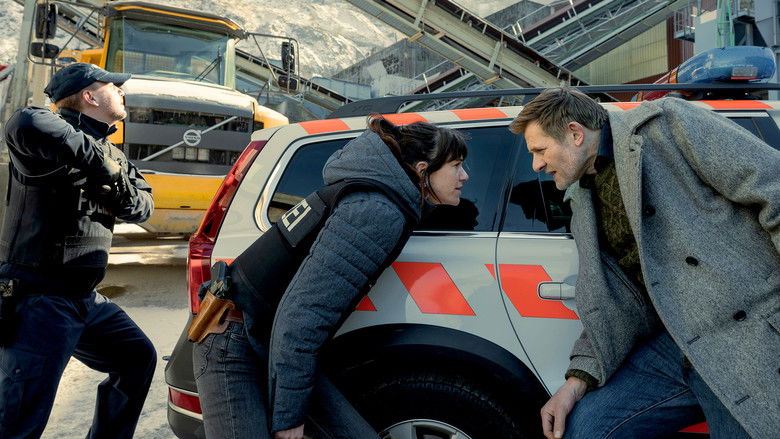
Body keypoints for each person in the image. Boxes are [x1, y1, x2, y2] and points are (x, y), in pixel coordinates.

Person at [509, 87, 779, 439]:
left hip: (745, 334)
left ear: (575, 133)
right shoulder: (582, 198)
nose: (536, 165)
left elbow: (774, 189)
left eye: (540, 150)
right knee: (587, 428)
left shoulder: (668, 124)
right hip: (673, 343)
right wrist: (575, 382)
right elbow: (613, 302)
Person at [193, 116, 469, 439]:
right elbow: (302, 317)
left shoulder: (382, 200)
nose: (465, 176)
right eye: (456, 165)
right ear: (422, 170)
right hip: (233, 341)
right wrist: (289, 419)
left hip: (271, 343)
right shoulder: (376, 211)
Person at [0, 63, 156, 438]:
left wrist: (114, 182)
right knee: (20, 422)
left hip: (85, 300)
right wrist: (103, 167)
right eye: (112, 86)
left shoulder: (113, 153)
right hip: (38, 300)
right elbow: (25, 122)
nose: (121, 91)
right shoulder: (40, 130)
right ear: (89, 96)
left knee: (136, 359)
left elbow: (143, 207)